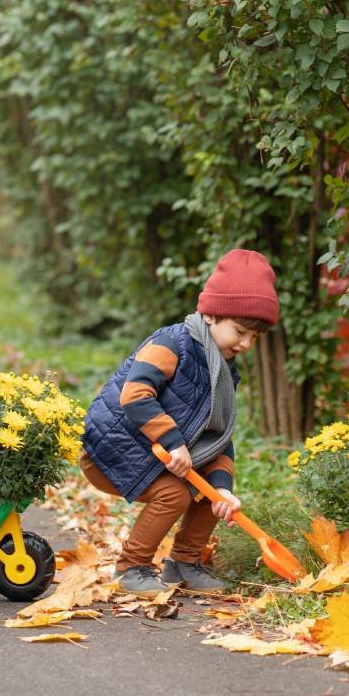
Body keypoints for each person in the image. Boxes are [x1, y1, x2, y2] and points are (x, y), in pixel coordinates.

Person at [79, 249, 279, 596]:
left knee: (208, 493)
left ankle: (184, 564)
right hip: (114, 450)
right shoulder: (171, 343)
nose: (246, 344)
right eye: (241, 331)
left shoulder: (223, 370)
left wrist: (223, 487)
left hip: (159, 456)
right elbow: (135, 395)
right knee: (174, 495)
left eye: (255, 338)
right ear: (213, 315)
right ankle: (130, 568)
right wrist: (173, 441)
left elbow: (218, 435)